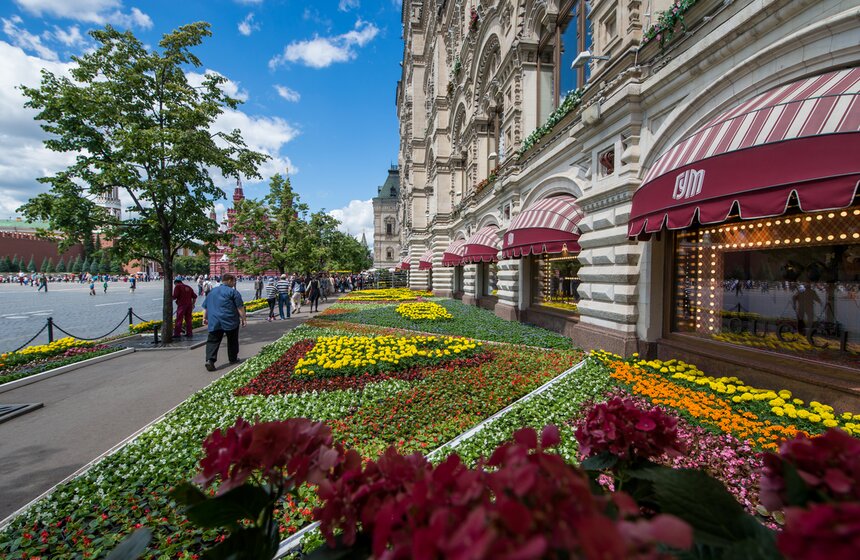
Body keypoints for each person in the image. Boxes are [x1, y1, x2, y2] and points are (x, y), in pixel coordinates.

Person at [202, 273, 246, 371]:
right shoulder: (233, 292)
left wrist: (204, 318)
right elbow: (240, 307)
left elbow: (206, 307)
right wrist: (244, 319)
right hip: (230, 320)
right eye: (234, 281)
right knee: (232, 340)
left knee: (213, 341)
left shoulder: (212, 292)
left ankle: (210, 360)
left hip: (214, 320)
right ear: (230, 280)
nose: (234, 283)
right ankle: (233, 358)